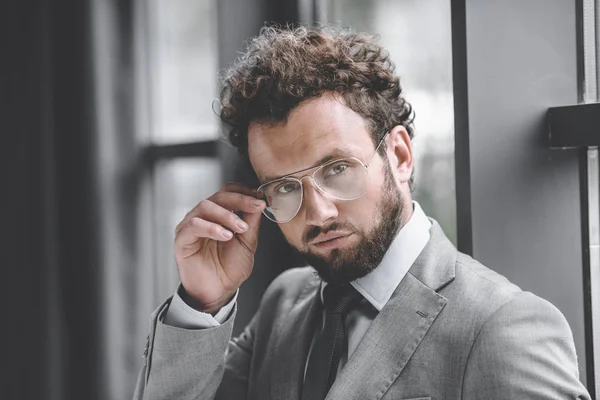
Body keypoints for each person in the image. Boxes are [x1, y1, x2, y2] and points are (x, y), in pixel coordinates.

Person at [133, 26, 591, 400]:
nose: (319, 211)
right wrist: (202, 303)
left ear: (400, 155)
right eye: (285, 187)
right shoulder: (283, 304)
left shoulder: (502, 328)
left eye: (337, 169)